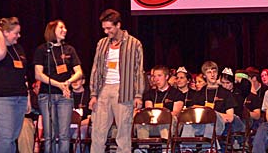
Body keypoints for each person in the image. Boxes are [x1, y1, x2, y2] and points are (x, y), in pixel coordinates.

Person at [88, 9, 145, 153]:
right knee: (98, 131)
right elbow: (95, 69)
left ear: (118, 25)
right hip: (104, 89)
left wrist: (138, 95)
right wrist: (93, 94)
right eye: (104, 28)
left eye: (109, 28)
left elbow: (138, 71)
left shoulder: (134, 43)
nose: (106, 32)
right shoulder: (101, 43)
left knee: (123, 132)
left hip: (124, 90)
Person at [34, 19, 83, 153]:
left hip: (65, 95)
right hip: (46, 95)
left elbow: (79, 72)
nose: (65, 30)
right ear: (52, 30)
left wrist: (67, 83)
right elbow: (38, 75)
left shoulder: (69, 49)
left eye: (65, 28)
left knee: (64, 135)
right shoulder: (42, 50)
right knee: (49, 135)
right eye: (61, 28)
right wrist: (59, 84)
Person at [0, 17, 29, 153]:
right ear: (5, 33)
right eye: (16, 33)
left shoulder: (18, 48)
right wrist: (0, 35)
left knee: (12, 138)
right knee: (4, 138)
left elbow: (23, 73)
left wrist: (26, 96)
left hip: (19, 97)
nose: (19, 36)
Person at [137, 65, 183, 141]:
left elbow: (175, 112)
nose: (156, 79)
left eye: (159, 76)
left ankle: (166, 149)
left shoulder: (177, 93)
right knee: (142, 121)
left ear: (167, 77)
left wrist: (162, 116)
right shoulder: (149, 94)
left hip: (169, 123)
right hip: (153, 122)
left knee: (166, 121)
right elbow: (149, 110)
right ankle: (143, 148)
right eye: (154, 76)